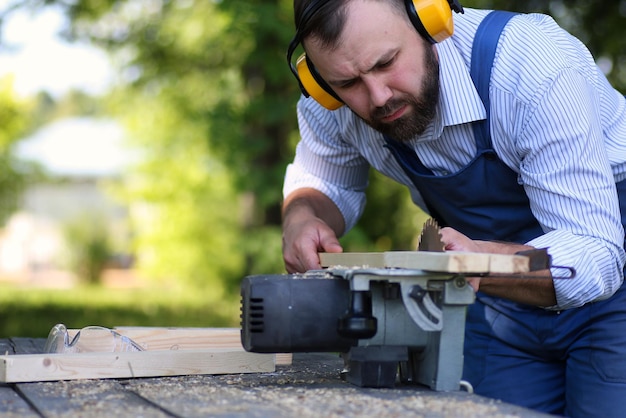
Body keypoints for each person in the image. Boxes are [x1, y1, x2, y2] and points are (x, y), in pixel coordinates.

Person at [280, 0, 626, 416]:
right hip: (496, 306)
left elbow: (596, 257)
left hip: (612, 293)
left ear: (429, 18)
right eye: (348, 83)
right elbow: (324, 181)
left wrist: (486, 263)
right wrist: (303, 217)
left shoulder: (532, 66)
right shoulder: (332, 101)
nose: (378, 96)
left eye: (387, 62)